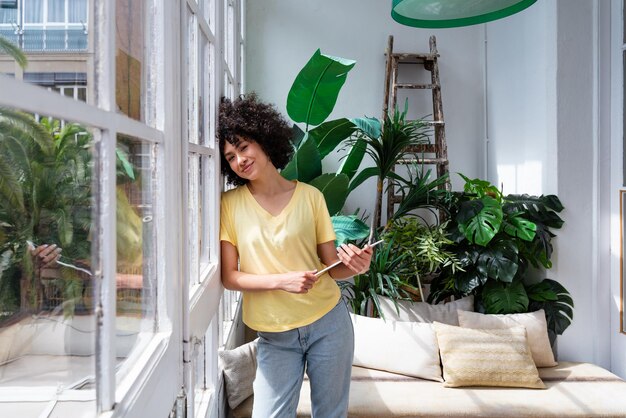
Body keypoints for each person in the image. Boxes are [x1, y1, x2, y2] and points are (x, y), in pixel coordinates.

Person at [219, 94, 373, 418]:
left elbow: (331, 268)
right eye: (231, 157)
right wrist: (282, 281)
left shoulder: (311, 197)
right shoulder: (229, 205)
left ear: (263, 140)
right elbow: (229, 276)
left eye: (244, 147)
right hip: (275, 336)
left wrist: (356, 266)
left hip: (329, 323)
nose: (240, 160)